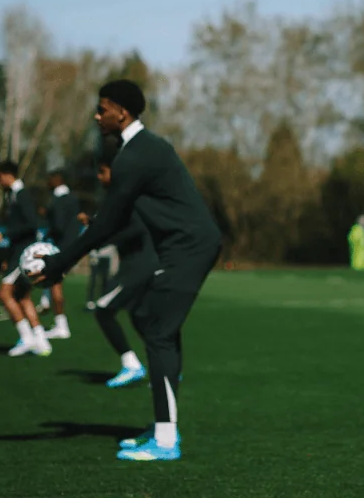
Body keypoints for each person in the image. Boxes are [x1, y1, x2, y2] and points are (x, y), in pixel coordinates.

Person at [29, 79, 222, 462]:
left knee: (157, 331)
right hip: (180, 248)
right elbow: (116, 217)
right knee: (153, 321)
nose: (96, 115)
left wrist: (58, 264)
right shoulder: (140, 151)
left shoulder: (135, 155)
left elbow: (107, 224)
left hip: (189, 249)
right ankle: (163, 426)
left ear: (123, 111)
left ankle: (166, 440)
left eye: (102, 109)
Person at [91, 154, 153, 388]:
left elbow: (137, 228)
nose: (99, 177)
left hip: (137, 267)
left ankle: (132, 365)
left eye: (102, 172)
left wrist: (105, 234)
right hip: (142, 264)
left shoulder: (126, 195)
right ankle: (167, 367)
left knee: (103, 310)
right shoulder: (124, 195)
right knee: (140, 318)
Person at [0, 160, 53, 357]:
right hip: (17, 253)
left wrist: (5, 234)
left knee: (4, 294)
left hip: (23, 254)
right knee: (23, 297)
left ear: (7, 175)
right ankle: (41, 341)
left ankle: (26, 338)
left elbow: (31, 225)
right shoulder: (14, 195)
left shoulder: (21, 195)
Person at [37, 169, 80, 338]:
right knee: (54, 280)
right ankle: (46, 303)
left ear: (57, 180)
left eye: (49, 179)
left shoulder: (58, 200)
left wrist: (48, 216)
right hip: (72, 245)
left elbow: (59, 225)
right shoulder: (73, 198)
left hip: (61, 247)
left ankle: (62, 326)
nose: (47, 183)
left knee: (56, 283)